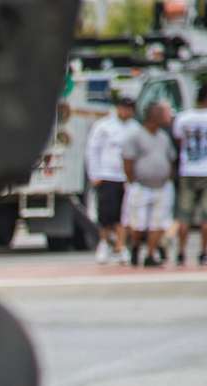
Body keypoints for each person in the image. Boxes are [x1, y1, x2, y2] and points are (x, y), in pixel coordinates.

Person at [170, 84, 207, 267]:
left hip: (188, 169)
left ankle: (180, 252)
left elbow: (178, 140)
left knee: (184, 214)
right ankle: (204, 253)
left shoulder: (183, 118)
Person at [122, 102, 176, 268]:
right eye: (162, 114)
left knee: (157, 223)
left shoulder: (163, 137)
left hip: (161, 186)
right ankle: (135, 247)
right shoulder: (136, 136)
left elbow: (171, 158)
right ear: (153, 116)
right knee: (138, 224)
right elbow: (128, 161)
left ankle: (151, 254)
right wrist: (133, 181)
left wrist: (167, 176)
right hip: (141, 185)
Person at [85, 97, 137, 265]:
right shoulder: (104, 126)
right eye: (124, 108)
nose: (126, 111)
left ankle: (121, 247)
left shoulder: (135, 128)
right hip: (107, 175)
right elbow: (92, 150)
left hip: (126, 177)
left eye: (129, 108)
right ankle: (105, 244)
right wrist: (94, 174)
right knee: (106, 215)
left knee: (124, 215)